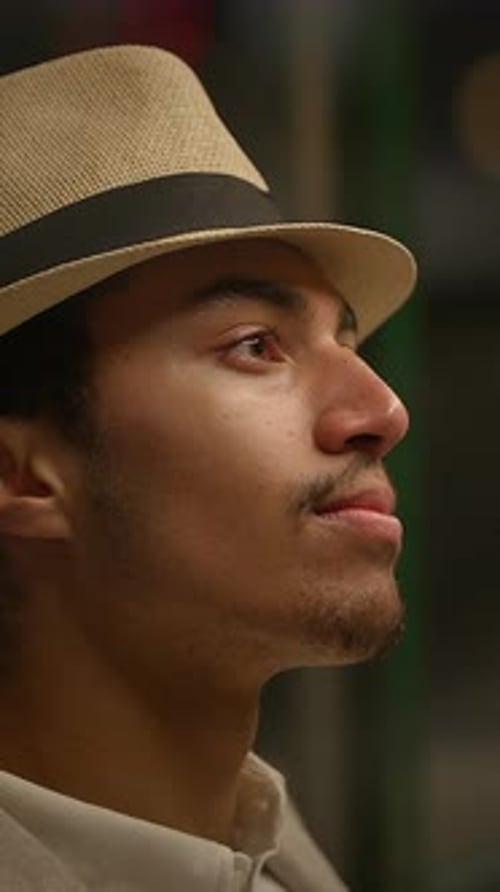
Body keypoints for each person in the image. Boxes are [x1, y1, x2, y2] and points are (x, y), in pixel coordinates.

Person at [0, 45, 416, 892]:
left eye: (343, 340)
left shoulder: (272, 855)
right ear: (19, 475)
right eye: (255, 347)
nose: (381, 413)